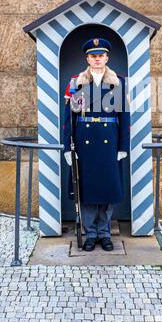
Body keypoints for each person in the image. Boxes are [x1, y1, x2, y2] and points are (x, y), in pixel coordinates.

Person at [63, 37, 130, 252]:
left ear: (107, 58)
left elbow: (125, 117)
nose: (97, 59)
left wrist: (123, 147)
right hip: (85, 143)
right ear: (88, 59)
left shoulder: (118, 82)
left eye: (101, 55)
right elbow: (69, 118)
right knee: (88, 192)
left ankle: (105, 233)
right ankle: (90, 234)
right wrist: (67, 148)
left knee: (107, 191)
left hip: (109, 142)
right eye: (93, 56)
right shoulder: (77, 82)